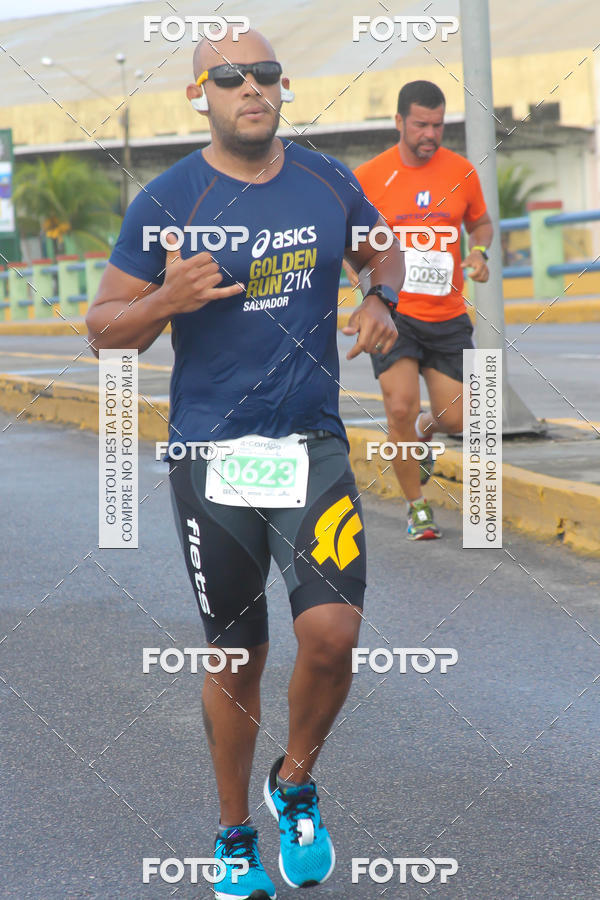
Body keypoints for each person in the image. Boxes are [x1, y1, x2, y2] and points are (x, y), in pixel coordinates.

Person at [86, 27, 403, 900]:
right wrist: (165, 297)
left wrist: (380, 295)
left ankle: (293, 783)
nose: (250, 87)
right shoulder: (168, 199)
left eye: (264, 74)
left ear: (282, 88)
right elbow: (104, 330)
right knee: (237, 655)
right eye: (229, 77)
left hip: (311, 442)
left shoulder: (328, 179)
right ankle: (233, 837)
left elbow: (384, 248)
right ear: (201, 95)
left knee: (332, 637)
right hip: (211, 455)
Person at [349, 80, 493, 540]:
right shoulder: (369, 176)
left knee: (455, 419)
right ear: (398, 122)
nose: (430, 133)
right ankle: (417, 506)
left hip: (448, 315)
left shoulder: (462, 171)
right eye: (421, 124)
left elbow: (482, 224)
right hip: (395, 314)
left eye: (438, 124)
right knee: (399, 407)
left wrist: (480, 254)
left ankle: (427, 431)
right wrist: (364, 286)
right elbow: (347, 241)